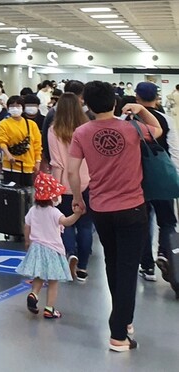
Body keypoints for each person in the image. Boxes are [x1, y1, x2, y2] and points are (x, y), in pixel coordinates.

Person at [67, 81, 160, 352]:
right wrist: (141, 110)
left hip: (101, 208)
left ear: (88, 105)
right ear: (115, 102)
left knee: (113, 262)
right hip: (132, 207)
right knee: (128, 268)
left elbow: (73, 171)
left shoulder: (82, 132)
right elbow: (158, 129)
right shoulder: (132, 127)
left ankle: (124, 318)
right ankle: (119, 334)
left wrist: (76, 198)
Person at [18, 173, 82, 320]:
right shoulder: (54, 212)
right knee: (53, 281)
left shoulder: (33, 210)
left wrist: (27, 242)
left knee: (39, 276)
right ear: (52, 196)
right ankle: (49, 309)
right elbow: (66, 222)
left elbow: (26, 225)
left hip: (37, 248)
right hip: (53, 250)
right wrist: (77, 214)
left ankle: (33, 294)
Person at [133, 82, 178, 282]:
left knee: (143, 222)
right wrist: (173, 175)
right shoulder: (166, 120)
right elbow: (174, 151)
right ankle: (164, 253)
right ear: (157, 98)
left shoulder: (130, 120)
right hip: (162, 178)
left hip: (137, 179)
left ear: (137, 98)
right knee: (167, 221)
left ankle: (147, 267)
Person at [49, 93, 94, 282]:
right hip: (88, 182)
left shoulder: (54, 130)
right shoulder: (88, 129)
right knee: (85, 225)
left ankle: (70, 254)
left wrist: (55, 189)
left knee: (65, 222)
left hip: (65, 185)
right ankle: (82, 266)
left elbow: (57, 163)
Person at [0, 95, 42, 187]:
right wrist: (8, 155)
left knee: (27, 194)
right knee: (13, 195)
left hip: (28, 165)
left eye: (18, 106)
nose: (15, 109)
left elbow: (37, 144)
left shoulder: (31, 124)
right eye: (12, 106)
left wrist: (37, 161)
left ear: (23, 108)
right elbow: (2, 142)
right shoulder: (3, 124)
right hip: (11, 165)